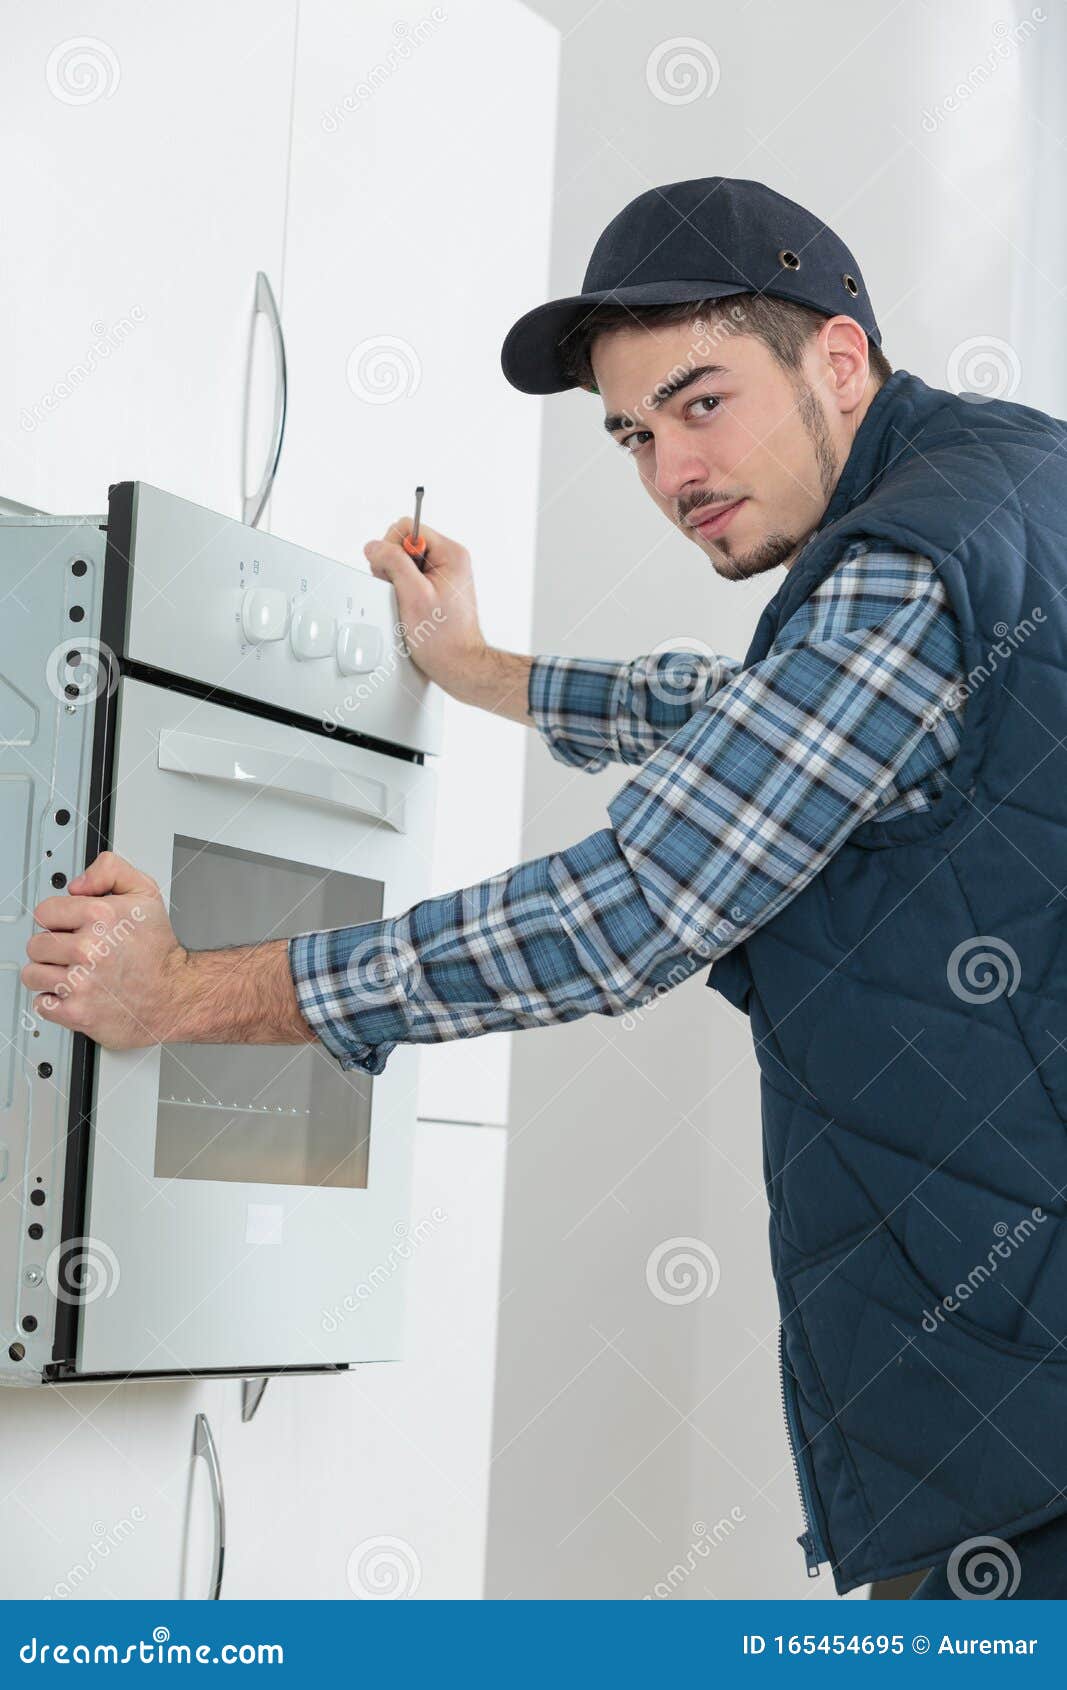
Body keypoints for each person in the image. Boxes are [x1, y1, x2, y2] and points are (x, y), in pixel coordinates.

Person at [23, 178, 1067, 1599]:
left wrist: (184, 990)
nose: (670, 473)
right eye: (634, 435)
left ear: (835, 357)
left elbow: (630, 908)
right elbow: (772, 719)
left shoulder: (896, 566)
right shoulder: (1015, 485)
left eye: (703, 404)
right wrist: (479, 669)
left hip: (1022, 1418)